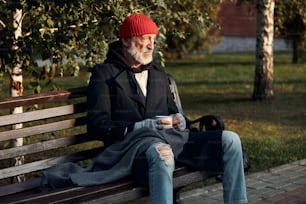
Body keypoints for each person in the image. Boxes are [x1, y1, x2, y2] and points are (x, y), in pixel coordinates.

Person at [42, 13, 247, 204]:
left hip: (173, 141)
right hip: (132, 154)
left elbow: (173, 110)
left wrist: (180, 120)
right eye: (145, 38)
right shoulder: (104, 74)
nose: (151, 45)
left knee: (230, 140)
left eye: (153, 39)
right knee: (161, 153)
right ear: (125, 41)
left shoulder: (158, 72)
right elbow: (97, 125)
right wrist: (140, 126)